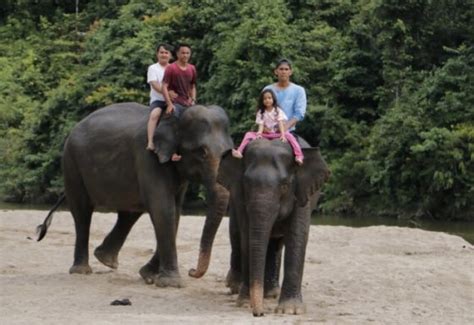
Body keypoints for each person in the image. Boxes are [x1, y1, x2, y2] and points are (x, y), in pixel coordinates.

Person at [232, 89, 304, 165]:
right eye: (265, 99)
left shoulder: (277, 111)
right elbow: (261, 125)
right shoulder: (261, 112)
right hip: (266, 133)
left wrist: (283, 135)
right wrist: (259, 133)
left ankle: (299, 155)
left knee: (290, 137)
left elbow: (280, 123)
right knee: (248, 134)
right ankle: (239, 151)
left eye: (269, 98)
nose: (267, 100)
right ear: (262, 101)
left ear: (273, 99)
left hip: (277, 133)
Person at [161, 43, 197, 161]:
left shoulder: (192, 68)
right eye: (183, 53)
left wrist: (193, 99)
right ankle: (172, 152)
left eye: (187, 53)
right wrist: (169, 104)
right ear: (177, 54)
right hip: (176, 102)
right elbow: (164, 86)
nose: (185, 55)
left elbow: (192, 86)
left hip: (187, 103)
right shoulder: (171, 68)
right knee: (174, 121)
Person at [146, 43, 175, 151]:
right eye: (161, 52)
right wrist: (167, 93)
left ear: (170, 55)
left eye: (166, 53)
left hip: (173, 100)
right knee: (155, 114)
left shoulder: (174, 68)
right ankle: (150, 141)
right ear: (157, 54)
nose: (164, 55)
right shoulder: (153, 68)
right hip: (158, 100)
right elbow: (155, 85)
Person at [264, 58, 307, 133]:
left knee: (296, 144)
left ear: (290, 72)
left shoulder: (299, 90)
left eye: (286, 69)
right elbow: (261, 109)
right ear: (276, 71)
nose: (283, 72)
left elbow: (299, 113)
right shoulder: (267, 89)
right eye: (281, 69)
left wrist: (285, 127)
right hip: (268, 130)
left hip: (288, 130)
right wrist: (264, 128)